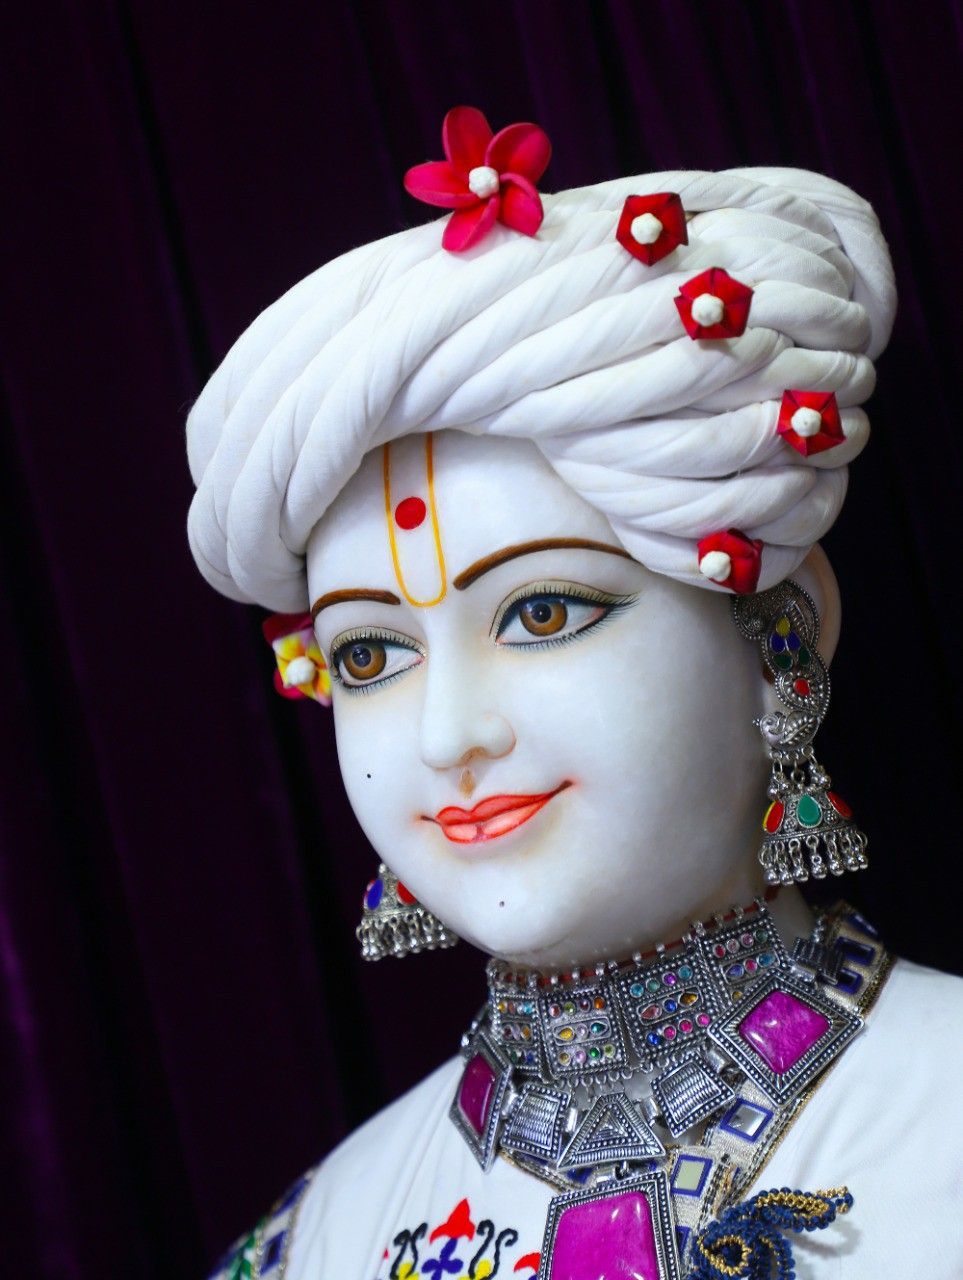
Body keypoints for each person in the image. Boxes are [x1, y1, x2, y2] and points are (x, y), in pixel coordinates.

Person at [186, 108, 963, 1280]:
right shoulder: (324, 1236)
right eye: (369, 655)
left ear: (781, 635)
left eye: (542, 612)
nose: (450, 733)